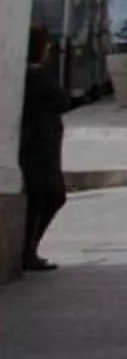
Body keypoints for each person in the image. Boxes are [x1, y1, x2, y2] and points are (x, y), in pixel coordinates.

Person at [20, 27, 68, 273]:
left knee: (43, 198)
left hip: (39, 144)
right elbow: (62, 100)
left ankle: (28, 250)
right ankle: (27, 251)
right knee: (49, 196)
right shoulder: (36, 76)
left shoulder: (28, 75)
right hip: (39, 146)